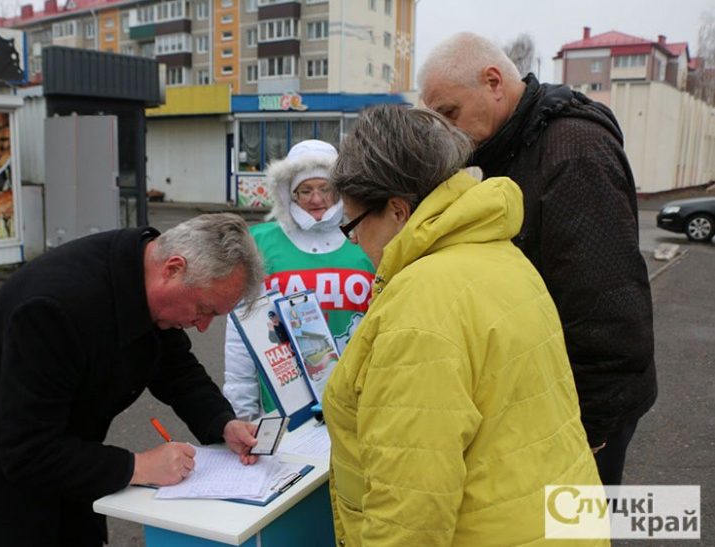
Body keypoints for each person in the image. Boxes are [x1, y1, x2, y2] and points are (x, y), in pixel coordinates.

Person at [323, 104, 607, 546]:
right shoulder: (501, 254)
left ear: (398, 211)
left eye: (354, 225)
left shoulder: (420, 302)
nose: (355, 241)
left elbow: (411, 509)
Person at [418, 32, 656, 485]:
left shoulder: (572, 152)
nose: (447, 131)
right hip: (554, 397)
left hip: (585, 412)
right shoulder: (514, 147)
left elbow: (608, 308)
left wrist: (589, 431)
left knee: (578, 525)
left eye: (449, 113)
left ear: (493, 82)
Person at [0, 213, 264, 547]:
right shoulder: (53, 309)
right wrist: (138, 466)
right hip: (3, 468)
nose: (203, 326)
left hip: (69, 451)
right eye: (203, 309)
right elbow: (26, 450)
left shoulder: (148, 275)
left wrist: (222, 423)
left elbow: (176, 369)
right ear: (173, 269)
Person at [224, 139, 374, 419]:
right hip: (282, 410)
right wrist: (241, 414)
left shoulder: (368, 238)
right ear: (289, 194)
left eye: (325, 189)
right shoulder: (260, 242)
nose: (316, 200)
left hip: (356, 406)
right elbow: (241, 334)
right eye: (305, 190)